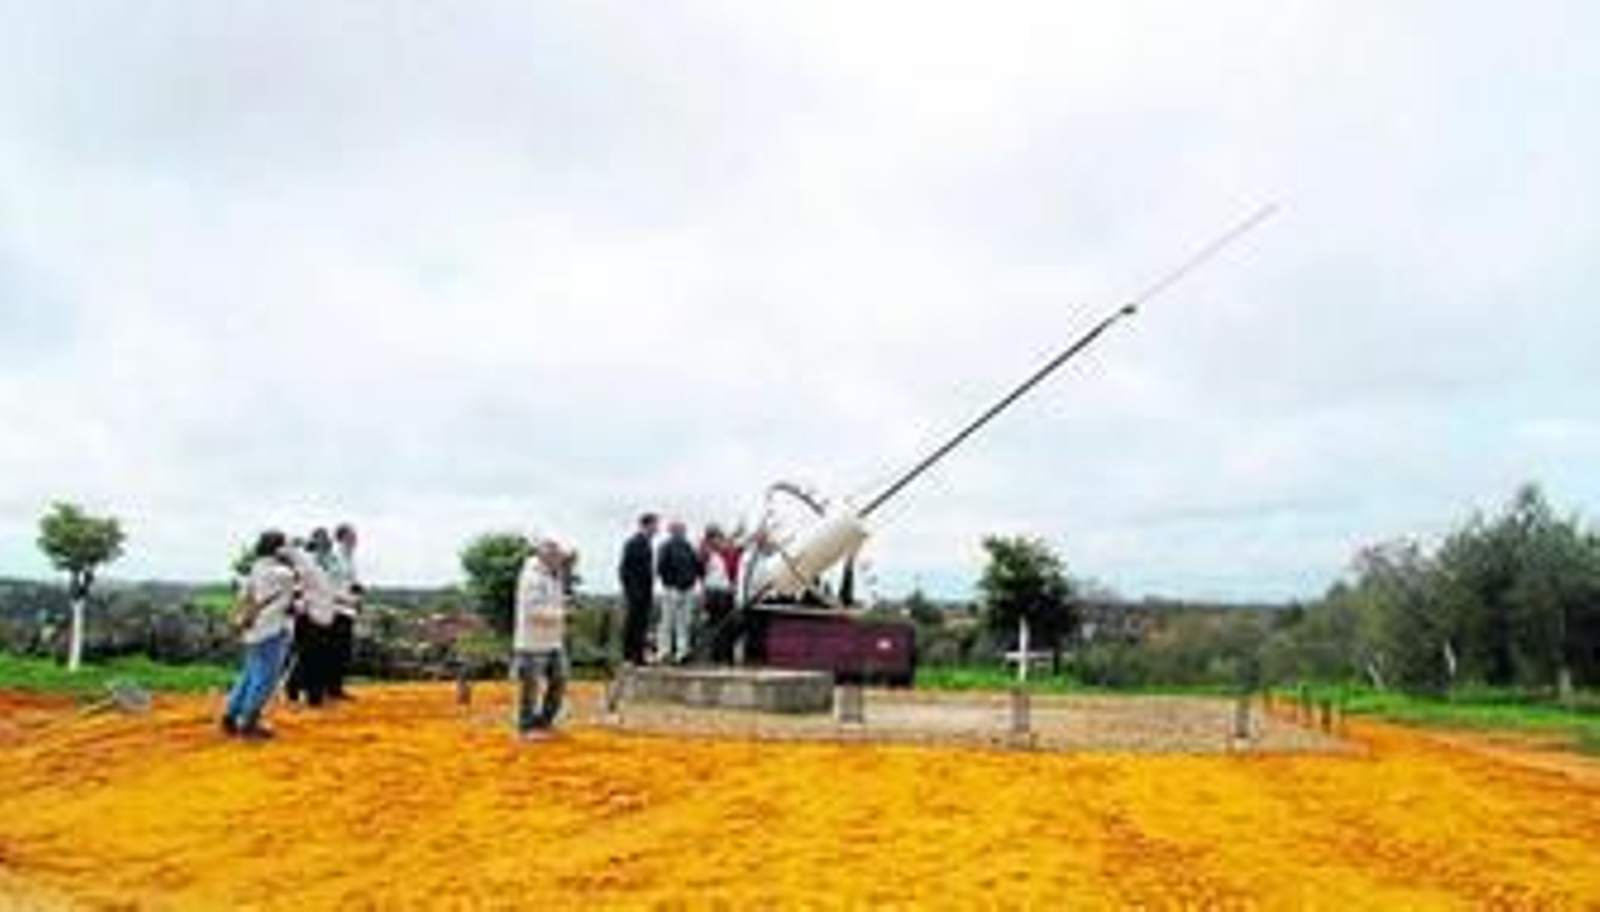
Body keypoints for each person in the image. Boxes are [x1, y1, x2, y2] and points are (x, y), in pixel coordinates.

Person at [222, 530, 298, 739]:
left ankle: (229, 716)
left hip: (252, 630)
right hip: (272, 631)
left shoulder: (253, 570)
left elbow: (243, 597)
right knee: (265, 679)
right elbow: (298, 594)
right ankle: (250, 722)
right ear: (278, 548)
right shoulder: (284, 574)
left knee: (248, 675)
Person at [512, 537, 573, 738]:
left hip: (553, 640)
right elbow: (533, 610)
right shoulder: (531, 577)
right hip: (532, 642)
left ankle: (543, 723)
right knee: (531, 688)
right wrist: (562, 613)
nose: (560, 559)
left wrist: (562, 604)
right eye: (556, 555)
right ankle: (526, 727)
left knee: (560, 681)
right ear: (544, 555)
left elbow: (550, 602)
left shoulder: (553, 575)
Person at [283, 529, 340, 707]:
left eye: (326, 542)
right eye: (320, 541)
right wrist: (296, 542)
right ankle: (311, 695)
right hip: (308, 615)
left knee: (313, 656)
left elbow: (328, 589)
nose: (324, 545)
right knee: (310, 656)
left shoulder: (324, 563)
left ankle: (298, 689)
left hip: (322, 613)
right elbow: (288, 550)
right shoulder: (304, 559)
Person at [654, 520, 702, 665]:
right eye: (678, 529)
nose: (681, 532)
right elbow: (661, 567)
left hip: (688, 589)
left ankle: (682, 652)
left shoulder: (689, 547)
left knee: (684, 623)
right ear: (672, 531)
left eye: (683, 530)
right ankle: (664, 652)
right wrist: (669, 584)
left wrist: (693, 582)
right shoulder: (666, 546)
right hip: (672, 588)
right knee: (667, 622)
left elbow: (697, 565)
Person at [326, 523, 364, 699]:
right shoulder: (335, 558)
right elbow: (330, 585)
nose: (355, 539)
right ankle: (330, 688)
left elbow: (351, 584)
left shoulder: (349, 558)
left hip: (348, 609)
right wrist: (346, 598)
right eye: (352, 535)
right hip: (336, 609)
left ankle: (336, 687)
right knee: (335, 650)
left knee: (343, 651)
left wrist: (357, 594)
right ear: (342, 537)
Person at [617, 513, 658, 665]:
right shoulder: (634, 542)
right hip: (635, 592)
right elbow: (624, 569)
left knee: (642, 625)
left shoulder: (647, 543)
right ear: (645, 525)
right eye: (654, 525)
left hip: (646, 592)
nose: (656, 528)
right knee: (632, 624)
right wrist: (631, 590)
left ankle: (638, 656)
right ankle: (628, 656)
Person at [698, 525, 742, 664]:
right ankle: (715, 655)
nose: (719, 541)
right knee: (715, 624)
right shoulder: (706, 552)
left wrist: (735, 536)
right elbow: (703, 554)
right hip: (713, 593)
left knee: (728, 624)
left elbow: (734, 550)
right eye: (716, 538)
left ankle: (726, 656)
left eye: (720, 537)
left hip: (726, 592)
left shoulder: (726, 553)